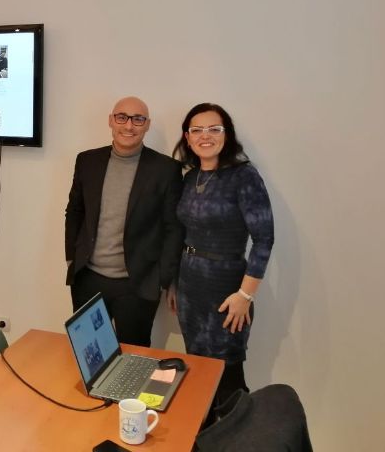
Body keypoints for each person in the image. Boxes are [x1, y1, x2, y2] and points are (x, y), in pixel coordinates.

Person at [169, 102, 274, 408]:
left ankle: (236, 431)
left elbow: (264, 239)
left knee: (228, 377)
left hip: (227, 291)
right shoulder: (189, 178)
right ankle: (204, 431)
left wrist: (245, 295)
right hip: (190, 288)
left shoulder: (244, 176)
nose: (206, 136)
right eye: (197, 130)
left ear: (227, 135)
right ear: (187, 137)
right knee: (198, 371)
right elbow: (182, 234)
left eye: (214, 129)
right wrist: (175, 283)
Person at [65, 97, 184, 346]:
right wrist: (71, 258)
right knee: (90, 350)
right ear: (111, 120)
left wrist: (165, 278)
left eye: (138, 119)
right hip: (88, 279)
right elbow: (75, 211)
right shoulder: (87, 161)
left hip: (137, 284)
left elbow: (173, 227)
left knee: (134, 354)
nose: (129, 126)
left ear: (147, 125)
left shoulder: (166, 169)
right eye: (122, 117)